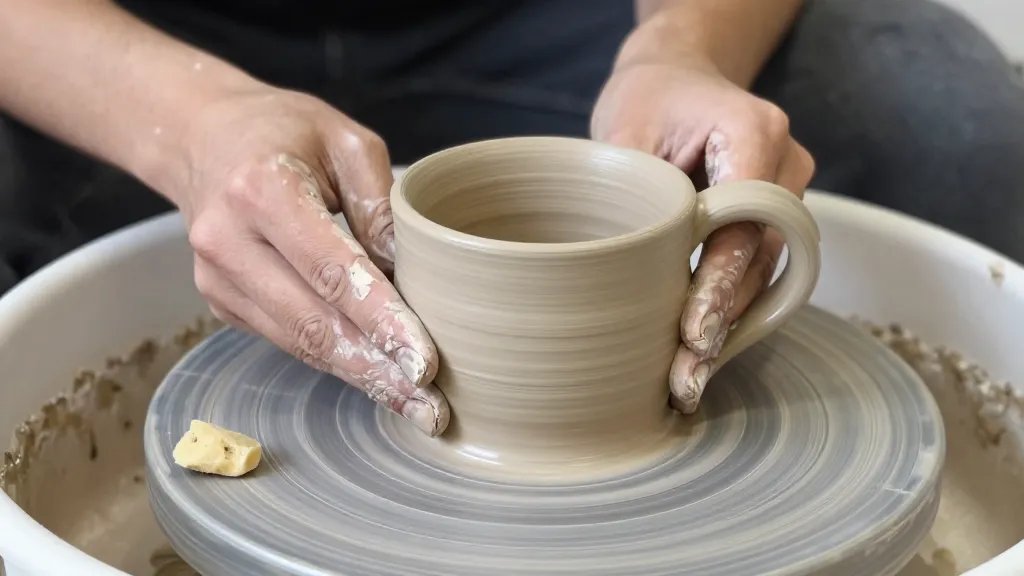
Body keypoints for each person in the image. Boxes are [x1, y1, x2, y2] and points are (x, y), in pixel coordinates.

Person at [1, 0, 1021, 435]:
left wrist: (682, 47)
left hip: (550, 16)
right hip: (123, 32)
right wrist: (184, 123)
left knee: (961, 132)